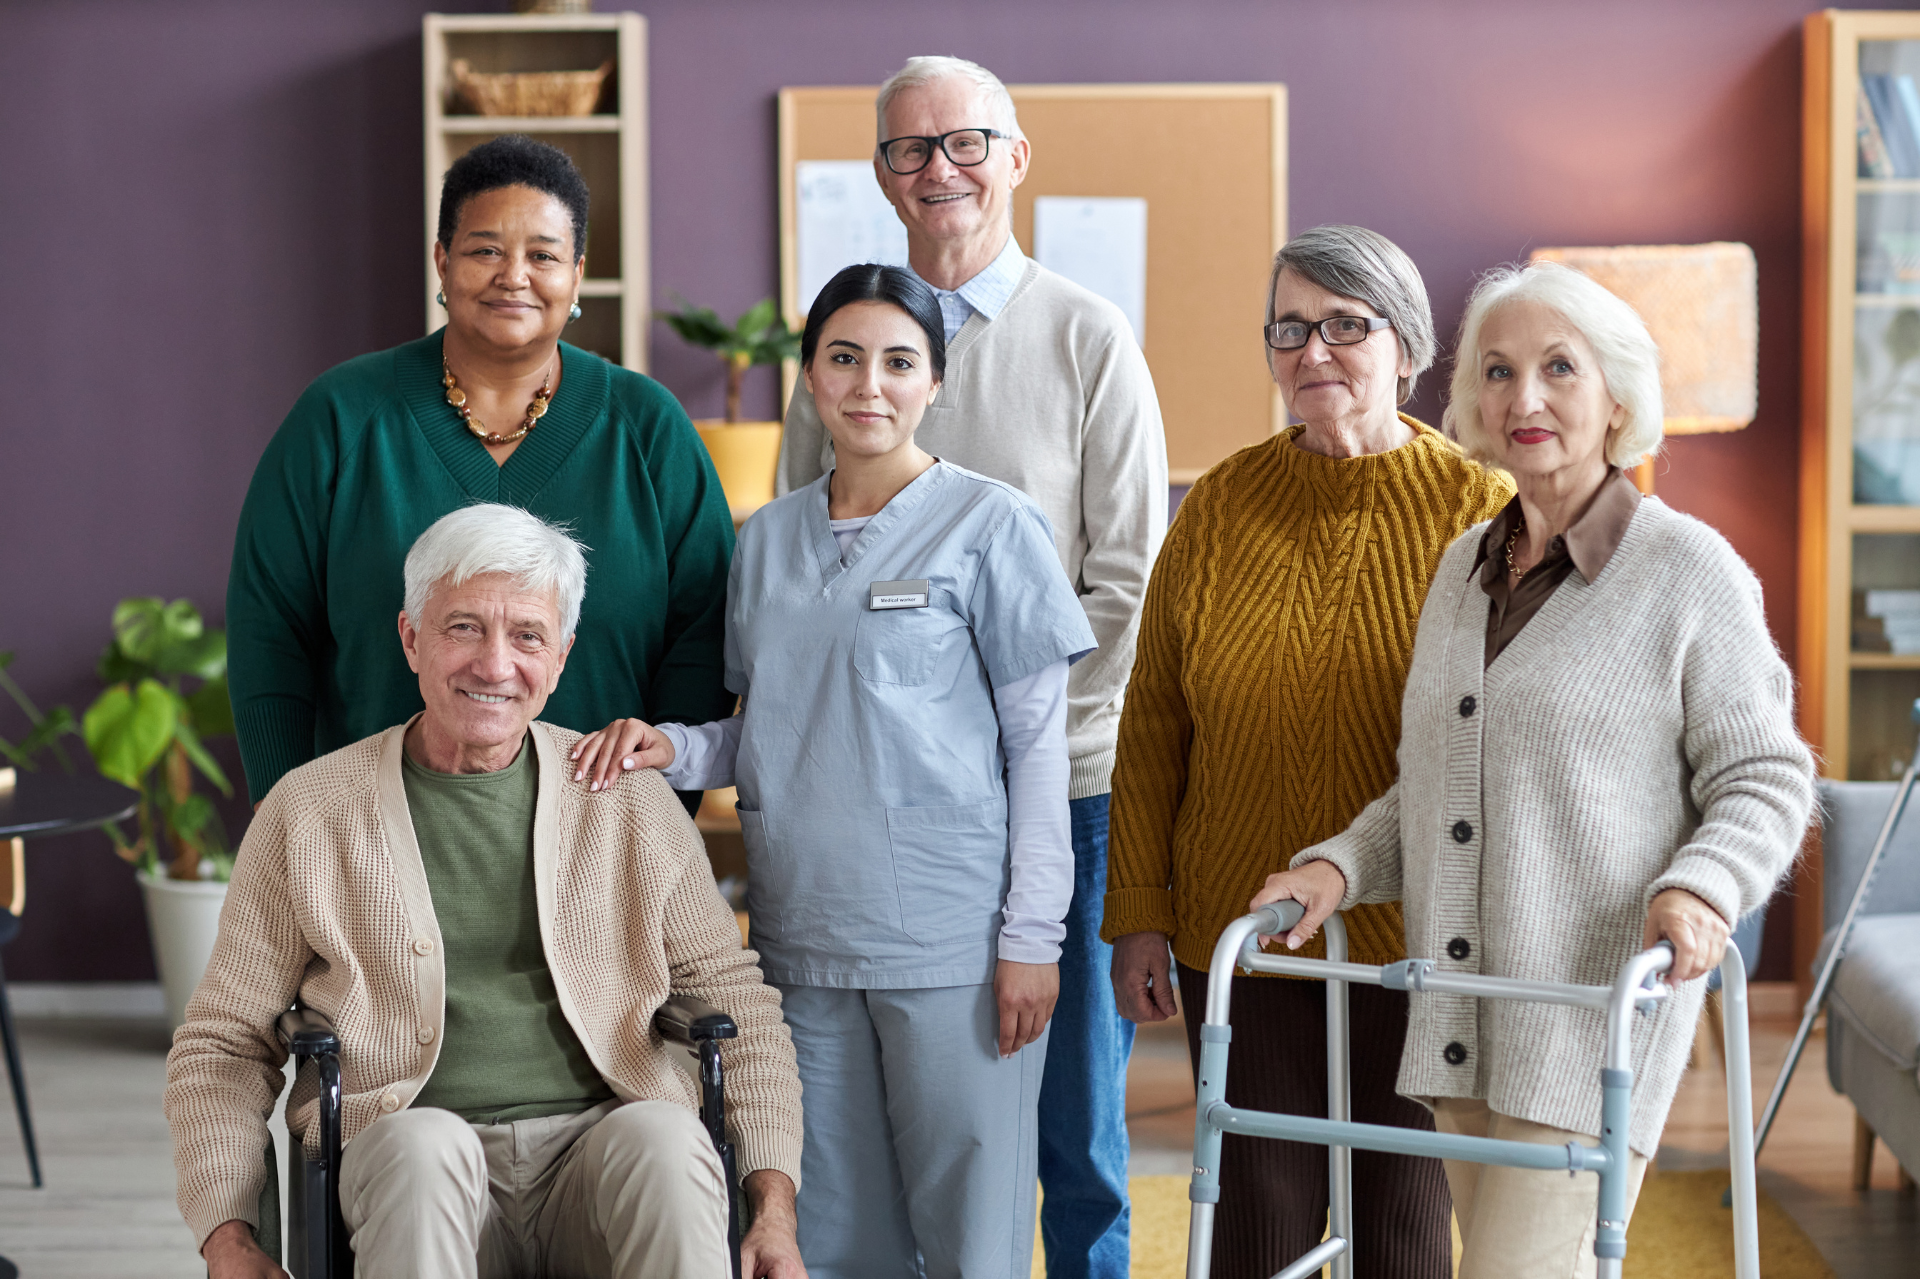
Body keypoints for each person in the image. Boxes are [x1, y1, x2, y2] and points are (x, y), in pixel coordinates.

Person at [1252, 259, 1814, 1278]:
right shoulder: (1462, 571)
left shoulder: (1690, 572)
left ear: (1617, 396)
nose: (1527, 397)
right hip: (1465, 1022)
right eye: (1500, 371)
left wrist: (1700, 884)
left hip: (1589, 1031)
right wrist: (1336, 865)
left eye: (1560, 366)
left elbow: (1768, 774)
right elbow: (1434, 784)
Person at [574, 263, 1094, 1278]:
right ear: (809, 377)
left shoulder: (993, 527)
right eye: (844, 357)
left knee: (972, 1225)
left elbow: (1040, 750)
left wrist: (1035, 934)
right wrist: (670, 744)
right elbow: (770, 728)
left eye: (900, 361)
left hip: (954, 940)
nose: (870, 384)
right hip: (802, 938)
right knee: (831, 1226)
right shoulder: (763, 541)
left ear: (935, 381)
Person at [168, 504, 804, 1280]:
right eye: (463, 627)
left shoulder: (627, 801)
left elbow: (737, 1005)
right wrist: (229, 1238)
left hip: (597, 1158)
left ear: (562, 656)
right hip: (407, 1158)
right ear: (410, 638)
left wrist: (772, 1209)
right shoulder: (311, 811)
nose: (496, 665)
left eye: (528, 636)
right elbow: (225, 1044)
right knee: (423, 1146)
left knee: (668, 1142)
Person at [775, 57, 1166, 1278]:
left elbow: (1129, 578)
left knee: (1074, 1130)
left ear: (1016, 157)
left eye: (964, 143)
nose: (937, 168)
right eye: (908, 150)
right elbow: (803, 563)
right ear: (881, 175)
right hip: (887, 814)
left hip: (1068, 790)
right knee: (921, 1131)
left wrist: (1002, 738)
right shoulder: (843, 352)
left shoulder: (1087, 336)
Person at [1103, 225, 1513, 1277]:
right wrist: (1139, 910)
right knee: (1253, 1216)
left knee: (1401, 1220)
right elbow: (1153, 720)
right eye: (1290, 327)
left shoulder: (1482, 509)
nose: (1313, 350)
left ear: (1407, 344)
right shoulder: (1222, 502)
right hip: (1236, 925)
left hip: (1414, 934)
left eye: (1345, 324)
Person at [226, 134, 734, 814]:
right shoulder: (340, 418)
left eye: (543, 256)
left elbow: (703, 633)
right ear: (442, 261)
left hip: (600, 837)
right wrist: (286, 811)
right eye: (485, 250)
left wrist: (665, 814)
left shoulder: (648, 428)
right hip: (370, 835)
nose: (513, 276)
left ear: (577, 274)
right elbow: (269, 630)